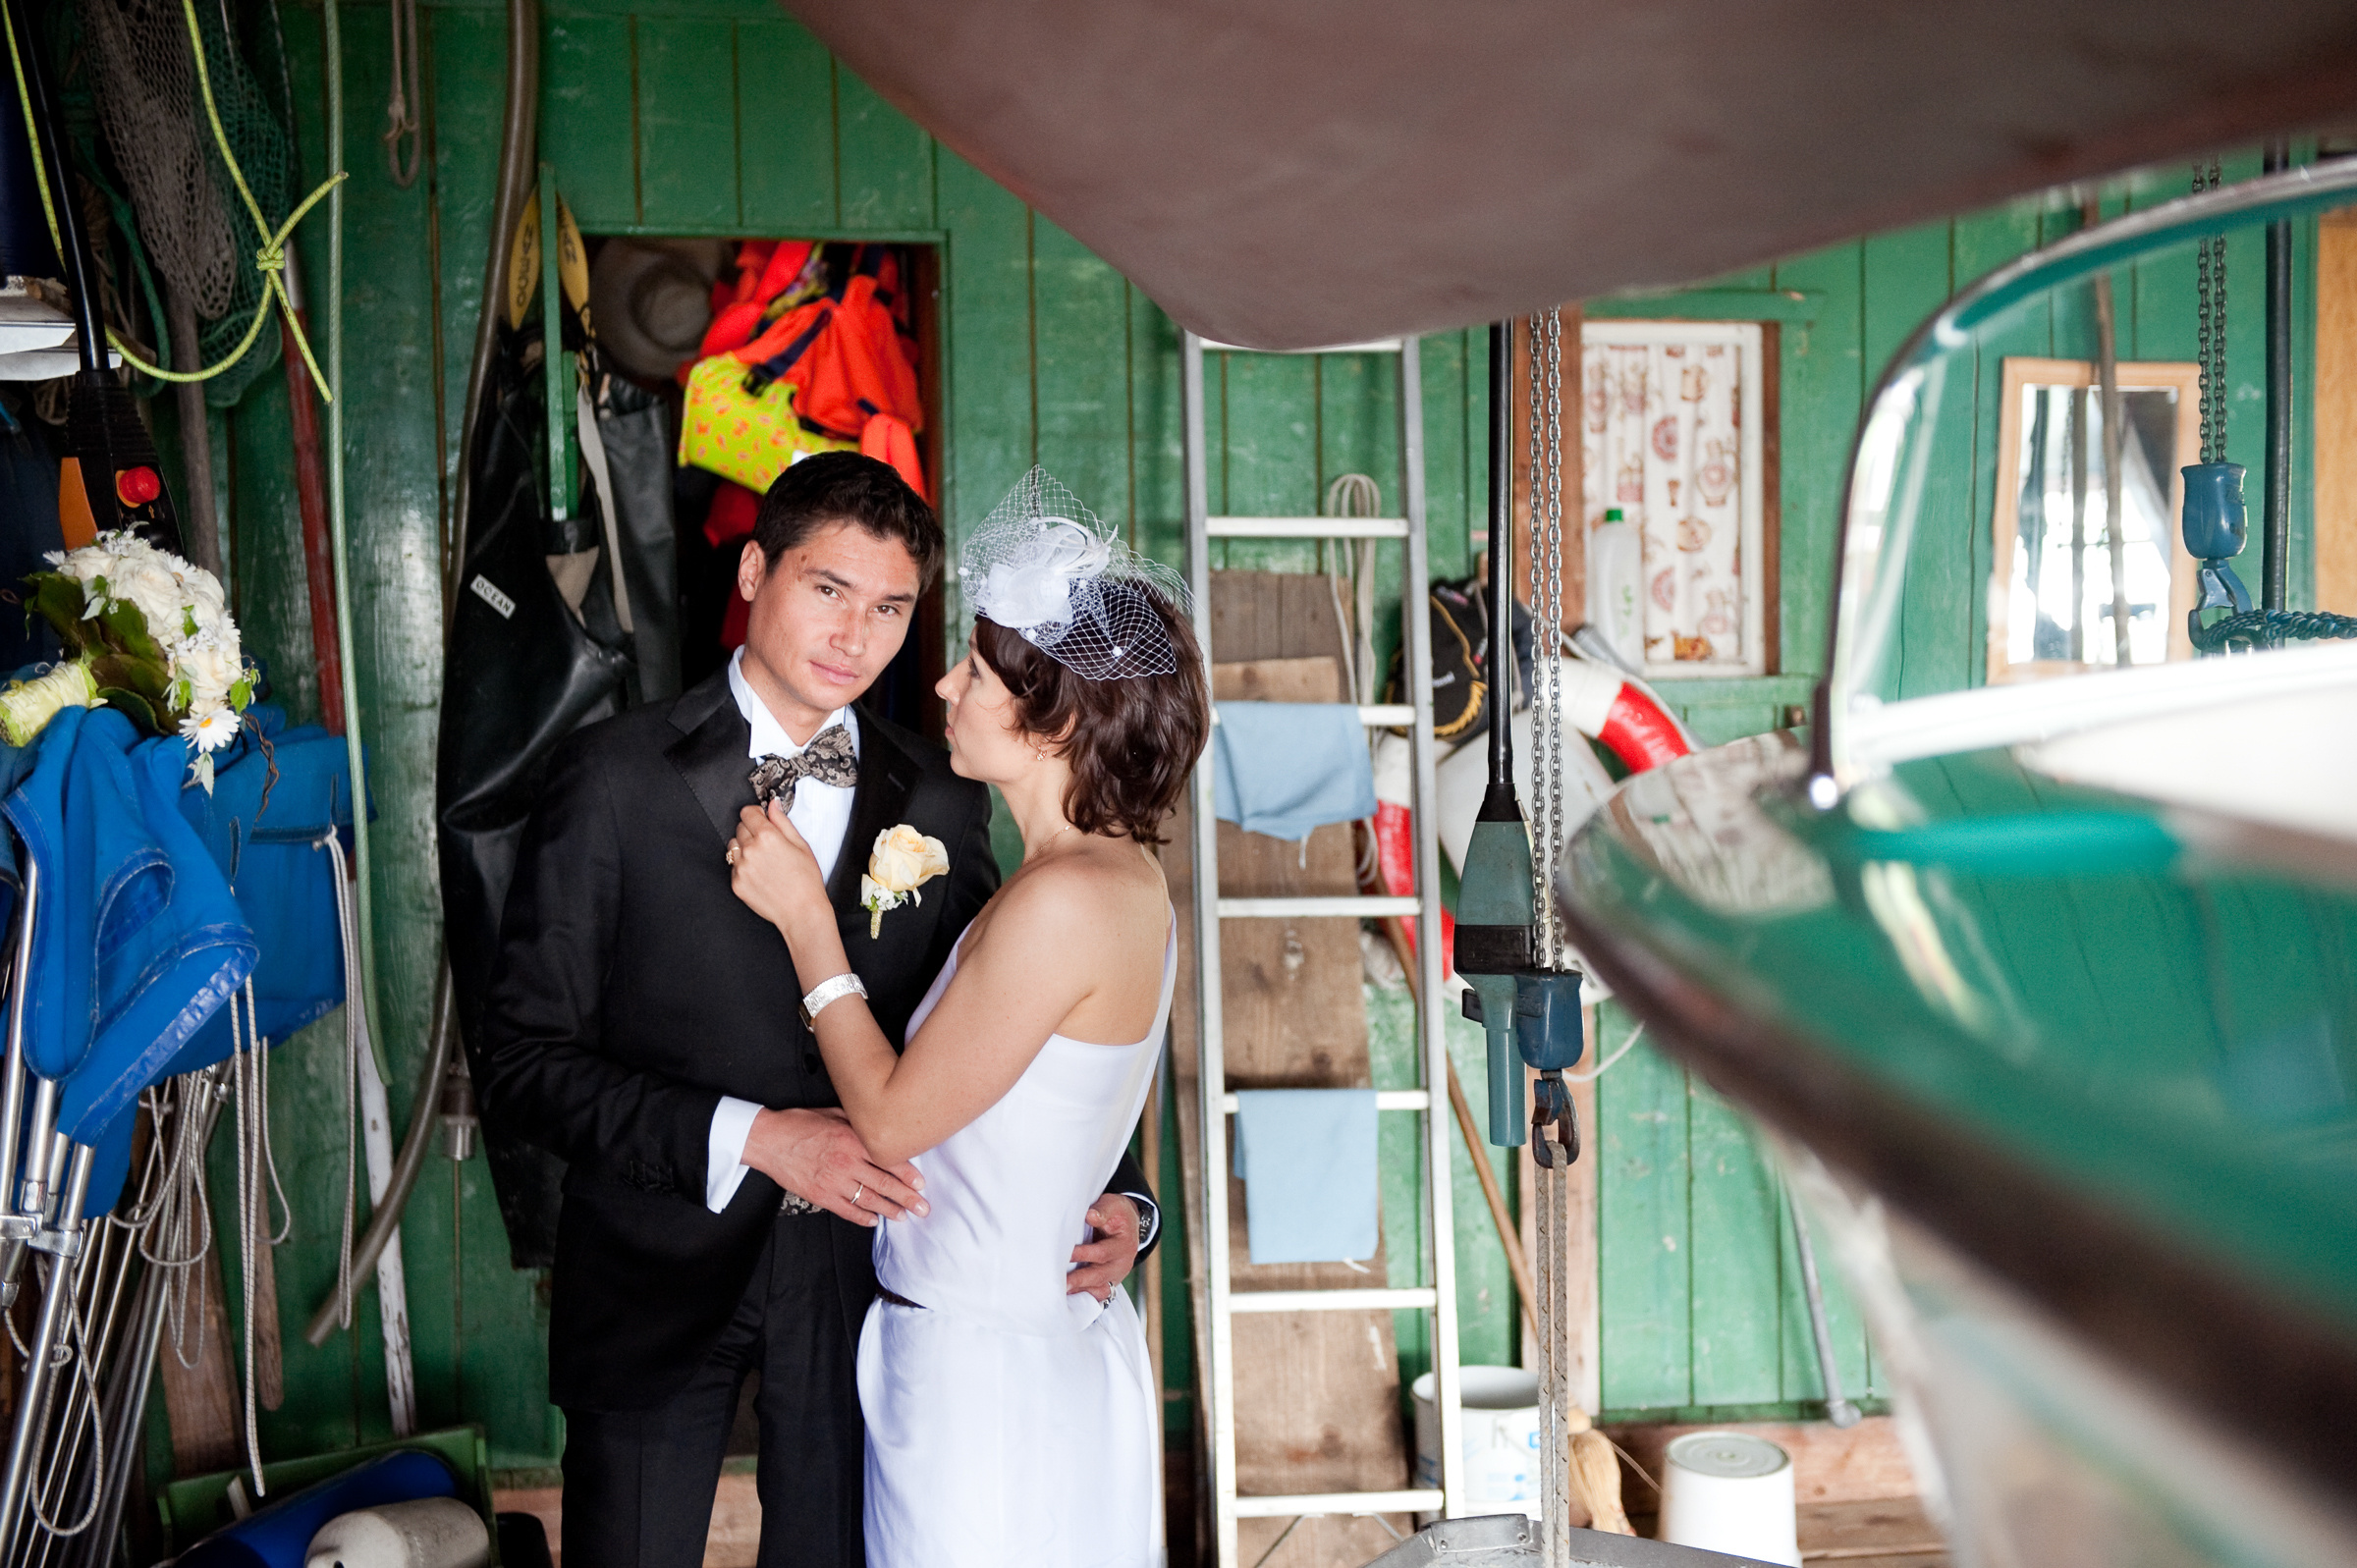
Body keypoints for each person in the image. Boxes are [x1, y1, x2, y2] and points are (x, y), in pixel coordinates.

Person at [477, 454, 1161, 1568]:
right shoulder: (611, 777)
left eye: (890, 607)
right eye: (829, 588)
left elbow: (1022, 1026)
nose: (856, 635)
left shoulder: (945, 795)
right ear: (755, 572)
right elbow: (521, 1063)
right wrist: (754, 1135)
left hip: (869, 1289)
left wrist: (1124, 1196)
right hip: (654, 1273)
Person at [727, 468, 1210, 1568]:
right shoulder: (1112, 876)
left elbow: (894, 1120)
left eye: (978, 672)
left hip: (989, 1384)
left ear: (1055, 718)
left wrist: (808, 921)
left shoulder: (1065, 900)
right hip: (1019, 1347)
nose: (943, 684)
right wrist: (1132, 1208)